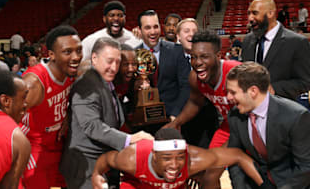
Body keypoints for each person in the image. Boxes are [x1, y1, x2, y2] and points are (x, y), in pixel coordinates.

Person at [60, 37, 153, 189]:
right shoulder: (87, 84)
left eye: (117, 62)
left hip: (104, 163)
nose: (114, 67)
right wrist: (129, 139)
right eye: (109, 61)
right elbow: (91, 126)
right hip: (85, 167)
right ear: (94, 58)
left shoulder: (103, 80)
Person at [164, 30, 241, 188]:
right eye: (194, 57)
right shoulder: (195, 77)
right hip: (228, 126)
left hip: (250, 125)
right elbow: (195, 102)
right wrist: (177, 122)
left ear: (218, 56)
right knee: (205, 170)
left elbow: (268, 96)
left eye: (204, 57)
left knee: (212, 171)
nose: (197, 62)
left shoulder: (236, 73)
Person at [226, 62, 310, 189]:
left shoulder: (295, 116)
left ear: (253, 91)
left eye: (233, 92)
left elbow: (306, 166)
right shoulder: (235, 115)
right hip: (255, 182)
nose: (228, 97)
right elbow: (234, 158)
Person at [92, 128, 264, 189]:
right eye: (167, 158)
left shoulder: (194, 159)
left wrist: (265, 185)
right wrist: (97, 174)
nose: (175, 164)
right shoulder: (131, 158)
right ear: (155, 156)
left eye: (179, 157)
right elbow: (107, 159)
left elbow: (238, 155)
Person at [19, 25, 82, 189]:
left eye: (78, 50)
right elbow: (6, 118)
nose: (76, 57)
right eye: (68, 52)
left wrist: (68, 115)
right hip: (33, 146)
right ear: (51, 55)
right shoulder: (34, 83)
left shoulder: (71, 72)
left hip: (58, 143)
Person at [242, 0, 310, 100]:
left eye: (255, 13)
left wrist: (274, 89)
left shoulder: (297, 42)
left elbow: (305, 82)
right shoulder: (247, 40)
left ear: (270, 13)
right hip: (251, 108)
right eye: (249, 13)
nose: (250, 18)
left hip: (282, 110)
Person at [137, 10, 190, 122]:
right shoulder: (133, 54)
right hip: (142, 120)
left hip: (172, 118)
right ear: (139, 30)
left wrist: (175, 114)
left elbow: (185, 86)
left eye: (155, 27)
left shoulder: (177, 50)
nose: (153, 32)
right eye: (147, 28)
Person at [176, 18, 219, 148]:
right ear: (178, 36)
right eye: (186, 31)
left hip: (208, 119)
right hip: (182, 117)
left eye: (194, 31)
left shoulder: (215, 61)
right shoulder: (171, 57)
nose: (191, 34)